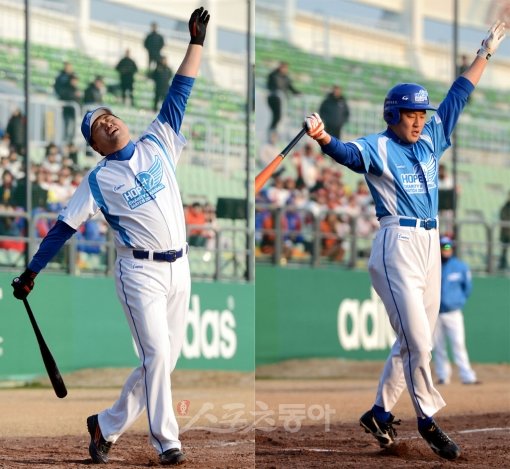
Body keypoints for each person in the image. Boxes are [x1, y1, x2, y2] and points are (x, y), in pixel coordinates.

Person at [11, 7, 210, 466]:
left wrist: (195, 43)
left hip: (180, 267)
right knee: (157, 355)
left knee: (161, 363)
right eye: (99, 126)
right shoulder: (97, 180)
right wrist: (31, 272)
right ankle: (167, 442)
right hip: (138, 272)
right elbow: (63, 228)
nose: (108, 123)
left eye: (110, 116)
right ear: (95, 146)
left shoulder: (158, 141)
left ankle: (106, 425)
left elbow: (180, 91)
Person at [304, 20, 506, 461]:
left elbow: (459, 94)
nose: (419, 120)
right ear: (393, 115)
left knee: (413, 341)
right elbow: (348, 155)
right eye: (411, 114)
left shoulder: (433, 135)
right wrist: (323, 138)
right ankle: (428, 419)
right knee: (419, 341)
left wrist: (485, 53)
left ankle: (378, 413)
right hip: (396, 244)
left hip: (430, 246)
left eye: (421, 113)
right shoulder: (379, 145)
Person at [433, 236, 478, 385]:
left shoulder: (460, 267)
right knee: (438, 347)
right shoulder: (432, 265)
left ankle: (467, 376)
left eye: (447, 247)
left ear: (452, 248)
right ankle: (443, 376)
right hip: (435, 313)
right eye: (442, 247)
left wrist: (458, 302)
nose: (445, 250)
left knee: (458, 344)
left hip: (453, 312)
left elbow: (467, 288)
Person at [266, 61, 300, 135]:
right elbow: (272, 86)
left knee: (279, 116)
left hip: (281, 99)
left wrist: (297, 92)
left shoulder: (286, 77)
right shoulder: (273, 75)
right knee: (276, 115)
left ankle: (274, 132)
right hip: (274, 99)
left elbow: (290, 87)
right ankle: (272, 131)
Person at [498, 190, 510, 270]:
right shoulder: (505, 207)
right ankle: (502, 264)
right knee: (504, 251)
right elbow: (503, 217)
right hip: (506, 233)